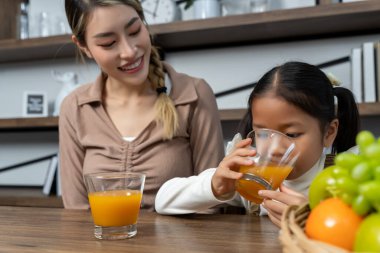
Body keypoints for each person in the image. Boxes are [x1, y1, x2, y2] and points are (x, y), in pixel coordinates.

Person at [59, 0, 225, 211]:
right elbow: (76, 212)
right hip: (96, 244)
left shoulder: (194, 95)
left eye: (135, 31)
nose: (129, 52)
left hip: (179, 244)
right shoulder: (75, 108)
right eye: (109, 43)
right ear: (84, 47)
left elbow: (211, 201)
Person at [155, 61, 360, 226]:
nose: (276, 148)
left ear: (329, 133)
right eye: (263, 134)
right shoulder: (250, 177)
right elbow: (163, 200)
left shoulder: (347, 175)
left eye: (292, 134)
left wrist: (316, 218)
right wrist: (216, 185)